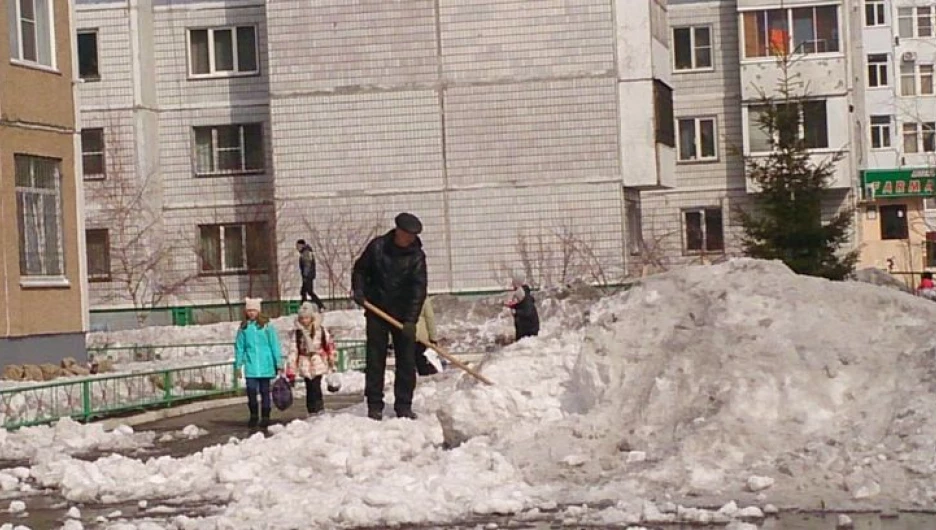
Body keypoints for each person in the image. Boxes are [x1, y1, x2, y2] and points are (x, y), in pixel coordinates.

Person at [351, 212, 428, 421]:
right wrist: (359, 291)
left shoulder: (416, 257)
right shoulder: (377, 247)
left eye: (413, 236)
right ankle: (374, 404)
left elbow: (418, 290)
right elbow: (360, 269)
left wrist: (411, 320)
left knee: (406, 360)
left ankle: (404, 405)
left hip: (403, 315)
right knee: (375, 359)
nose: (409, 239)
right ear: (398, 231)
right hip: (377, 309)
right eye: (407, 235)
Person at [234, 297, 283, 429]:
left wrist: (278, 362)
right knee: (251, 391)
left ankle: (266, 416)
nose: (251, 313)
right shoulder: (243, 328)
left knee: (265, 391)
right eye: (249, 310)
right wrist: (238, 365)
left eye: (253, 311)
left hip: (266, 365)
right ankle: (254, 415)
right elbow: (239, 347)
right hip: (251, 366)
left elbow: (274, 345)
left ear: (258, 311)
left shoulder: (267, 326)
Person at [289, 302, 337, 415]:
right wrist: (291, 367)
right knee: (309, 386)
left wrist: (332, 359)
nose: (305, 321)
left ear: (311, 317)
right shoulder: (298, 333)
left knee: (316, 385)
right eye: (302, 318)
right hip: (304, 361)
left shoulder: (320, 330)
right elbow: (293, 350)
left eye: (307, 318)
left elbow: (329, 345)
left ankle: (319, 408)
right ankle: (311, 410)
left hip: (317, 360)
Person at [505, 272, 540, 341]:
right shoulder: (524, 294)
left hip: (528, 330)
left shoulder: (521, 293)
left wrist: (515, 312)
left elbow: (527, 311)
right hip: (528, 328)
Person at [414, 296, 443, 376]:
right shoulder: (422, 297)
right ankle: (425, 380)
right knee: (421, 360)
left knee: (406, 363)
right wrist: (433, 338)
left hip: (404, 333)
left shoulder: (398, 294)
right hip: (420, 335)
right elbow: (430, 318)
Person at [296, 239, 325, 311]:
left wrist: (305, 275)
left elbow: (307, 265)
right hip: (308, 276)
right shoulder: (306, 252)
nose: (297, 248)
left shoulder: (306, 253)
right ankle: (304, 307)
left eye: (298, 246)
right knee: (304, 291)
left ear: (302, 245)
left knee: (308, 291)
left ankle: (320, 306)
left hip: (308, 276)